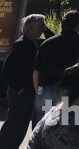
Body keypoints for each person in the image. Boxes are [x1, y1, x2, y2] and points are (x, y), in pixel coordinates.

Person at [33, 11, 79, 123]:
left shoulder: (47, 43)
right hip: (71, 92)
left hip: (47, 89)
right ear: (78, 25)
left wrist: (38, 89)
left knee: (41, 123)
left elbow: (36, 71)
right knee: (66, 124)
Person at [0, 15, 46, 149]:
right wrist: (20, 88)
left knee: (22, 125)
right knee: (15, 123)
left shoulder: (35, 43)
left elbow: (54, 41)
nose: (43, 29)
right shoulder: (21, 45)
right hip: (20, 92)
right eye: (41, 26)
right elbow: (6, 71)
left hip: (28, 90)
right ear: (31, 29)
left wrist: (46, 29)